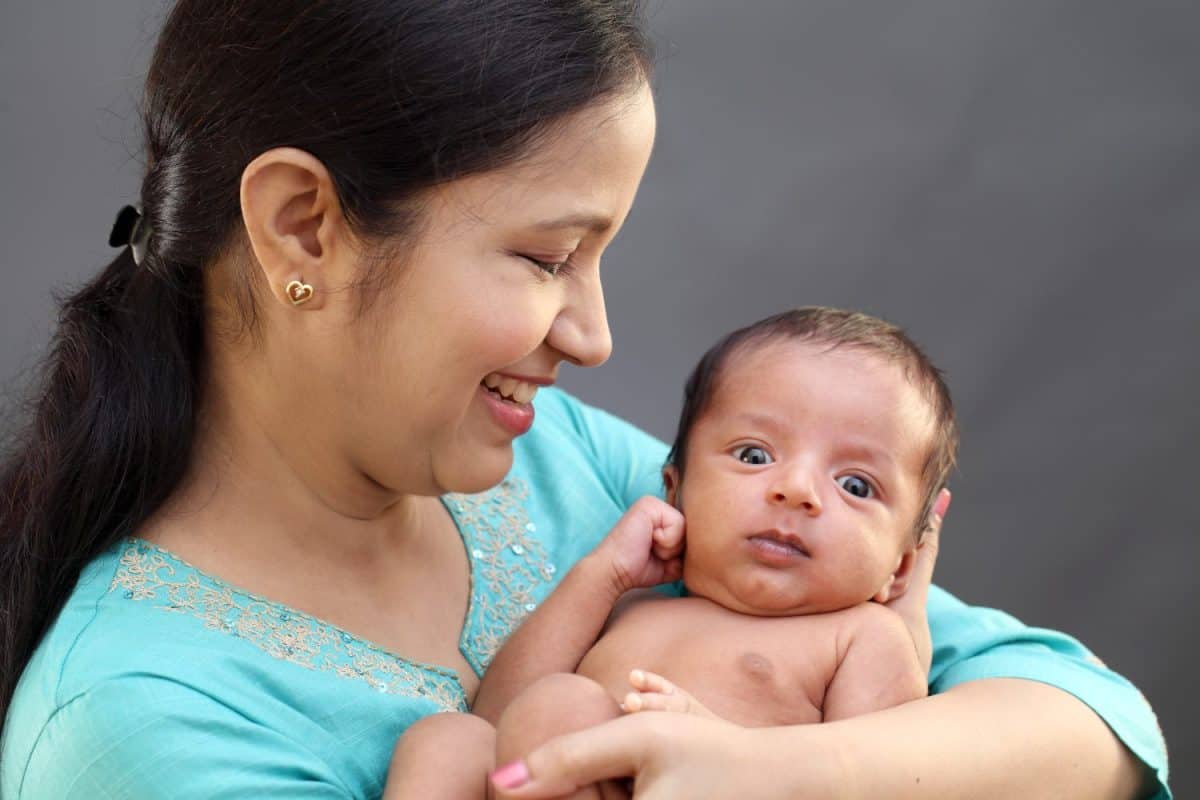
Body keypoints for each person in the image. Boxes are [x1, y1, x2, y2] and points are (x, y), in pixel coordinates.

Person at [0, 1, 1168, 798]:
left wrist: (765, 771)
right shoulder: (140, 722)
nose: (598, 337)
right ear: (305, 224)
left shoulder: (575, 469)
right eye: (548, 255)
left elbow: (1097, 726)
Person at [393, 306, 957, 800]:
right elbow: (500, 713)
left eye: (855, 485)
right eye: (755, 455)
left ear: (901, 566)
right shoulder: (637, 607)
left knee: (564, 705)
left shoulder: (862, 638)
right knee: (448, 738)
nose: (798, 492)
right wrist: (603, 575)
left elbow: (872, 781)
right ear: (674, 489)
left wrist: (720, 745)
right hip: (544, 773)